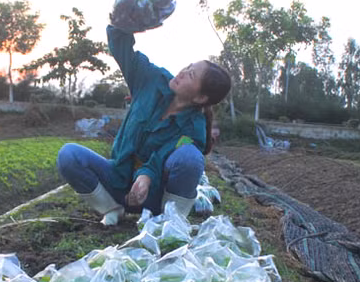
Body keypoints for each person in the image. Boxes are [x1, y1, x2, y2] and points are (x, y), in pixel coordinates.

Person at [56, 17, 232, 226]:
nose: (183, 72)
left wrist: (146, 177)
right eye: (187, 67)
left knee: (190, 158)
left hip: (154, 197)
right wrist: (123, 21)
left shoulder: (194, 130)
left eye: (191, 75)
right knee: (69, 155)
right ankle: (112, 209)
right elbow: (123, 52)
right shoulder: (151, 79)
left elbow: (164, 154)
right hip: (118, 180)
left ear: (200, 98)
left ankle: (169, 222)